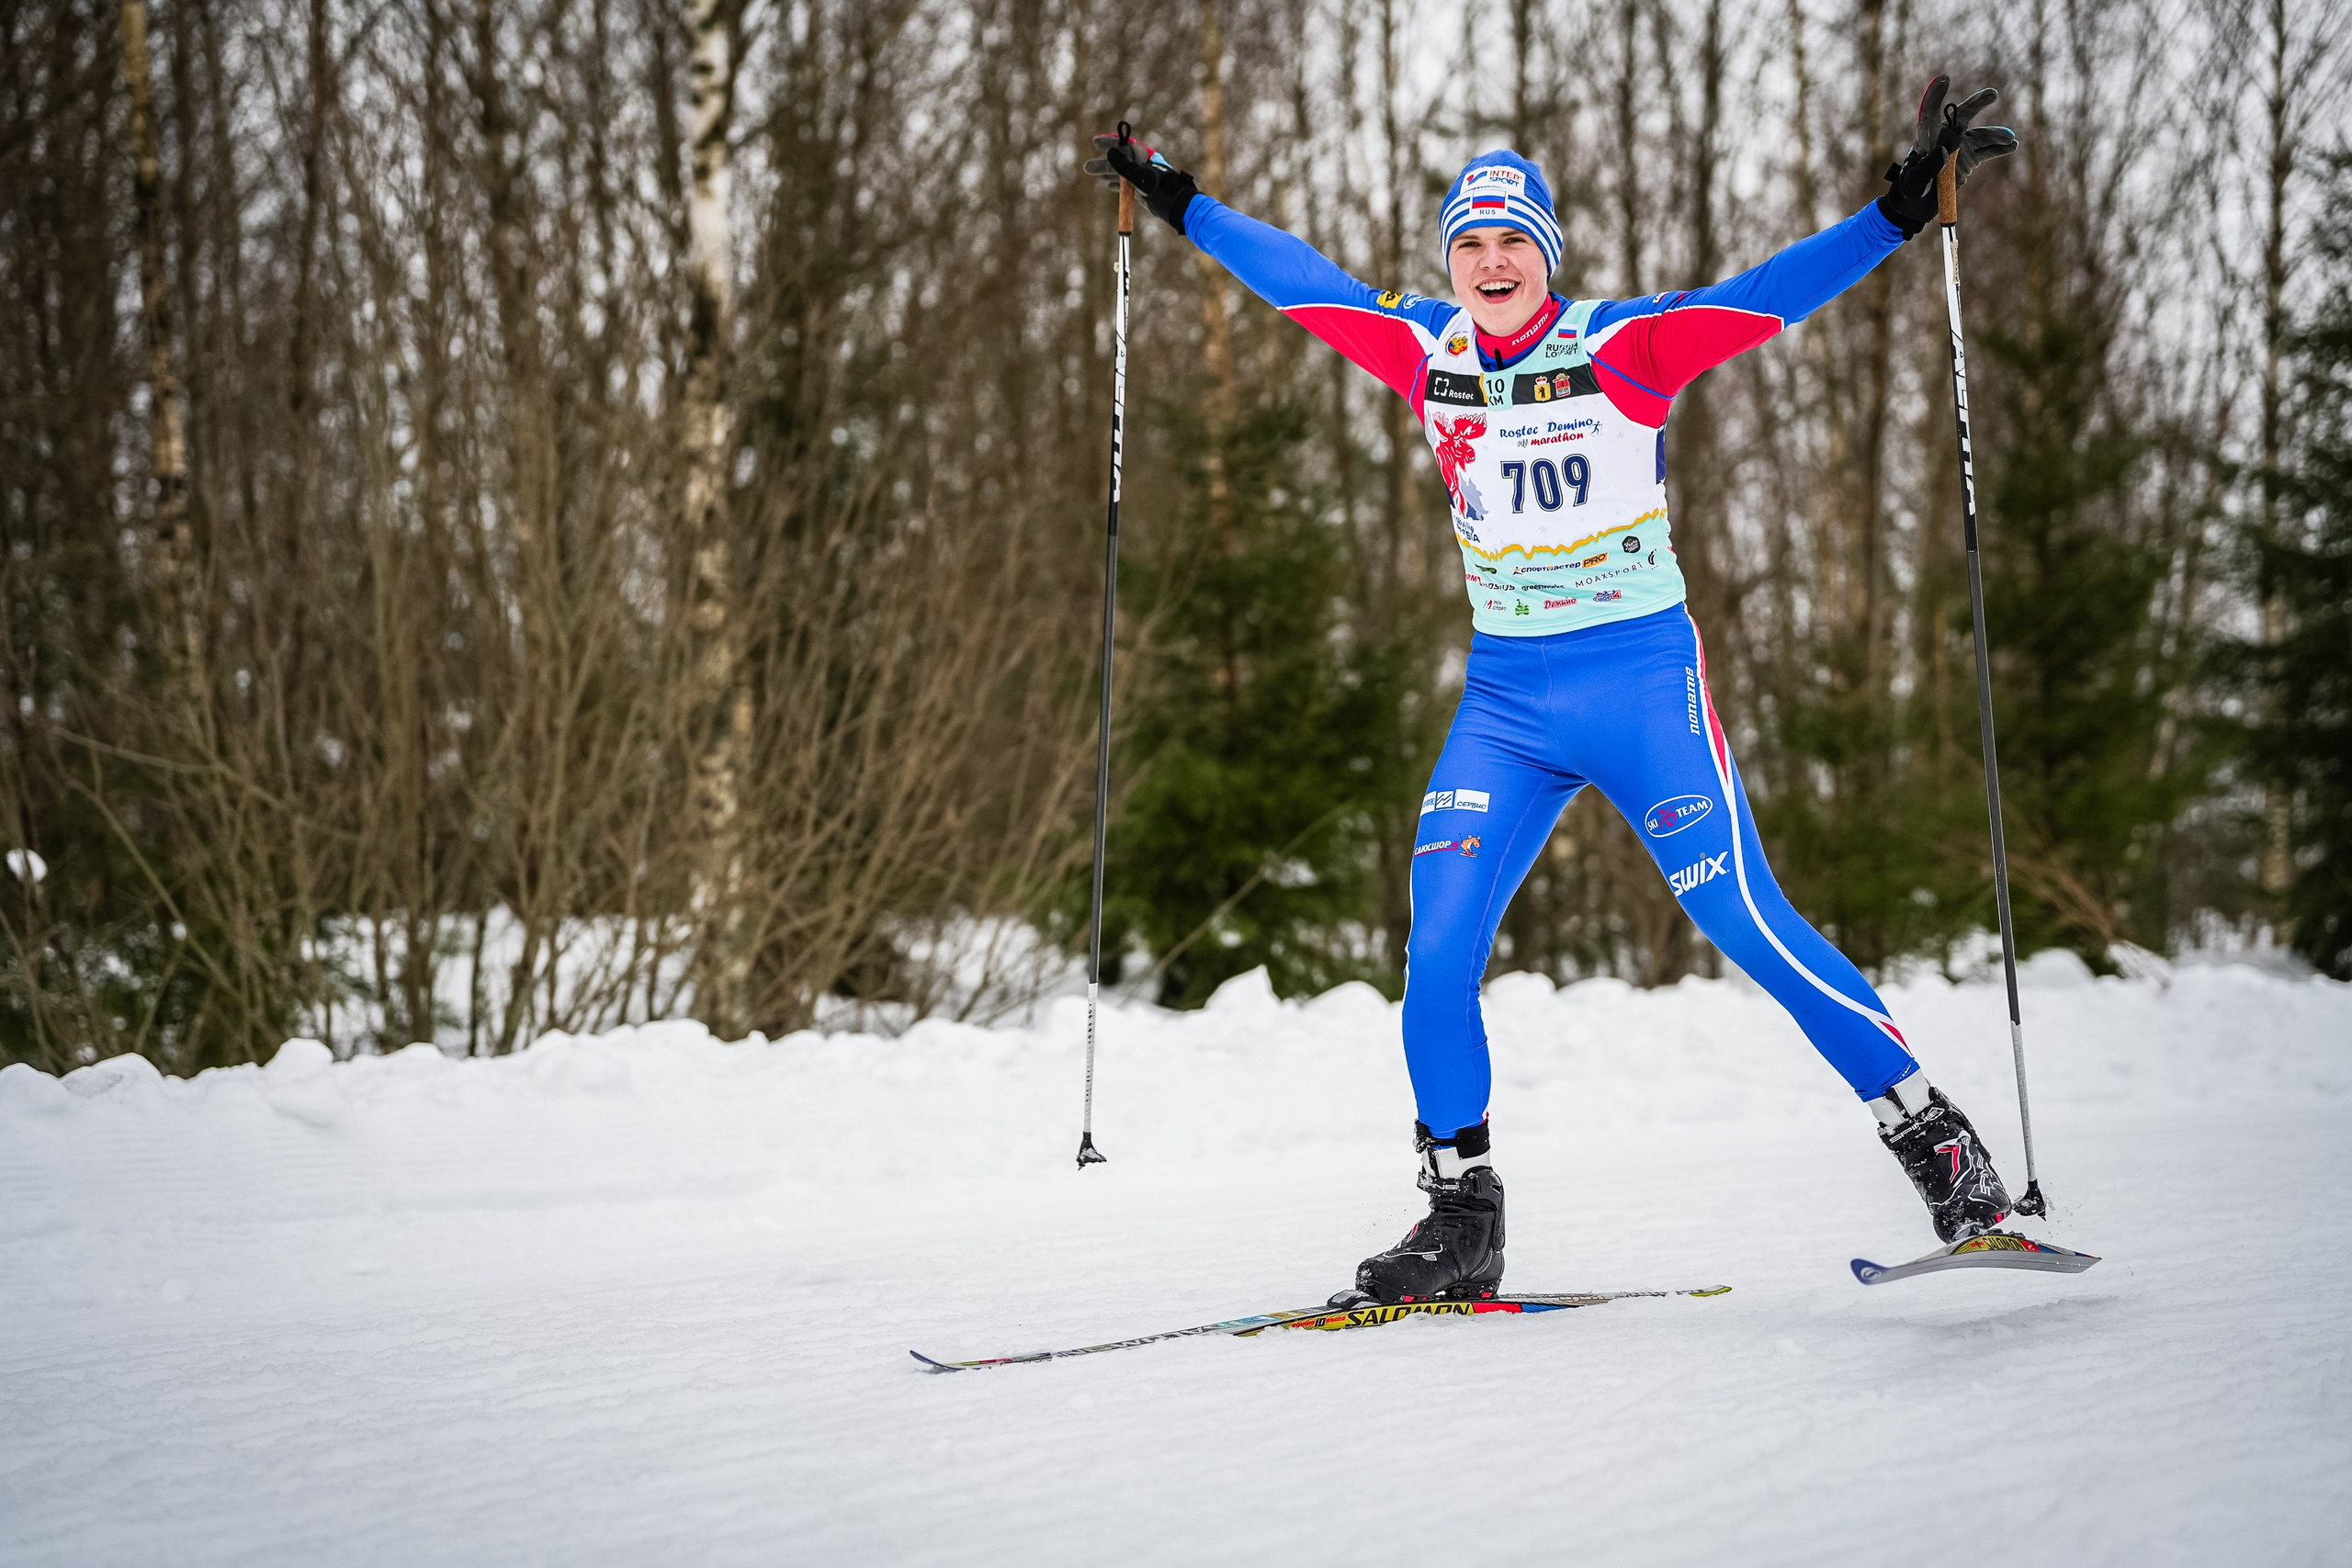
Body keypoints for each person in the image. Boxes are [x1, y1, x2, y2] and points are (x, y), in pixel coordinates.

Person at [1088, 78, 2023, 1304]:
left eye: (1511, 243)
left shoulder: (1622, 348)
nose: (1490, 263)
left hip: (1640, 685)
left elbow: (1769, 294)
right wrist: (1180, 202)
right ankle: (1460, 1215)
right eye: (1469, 243)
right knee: (1436, 953)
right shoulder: (1425, 351)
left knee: (1744, 920)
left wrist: (1894, 216)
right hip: (1507, 706)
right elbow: (1298, 279)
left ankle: (1942, 1149)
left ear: (1547, 257)